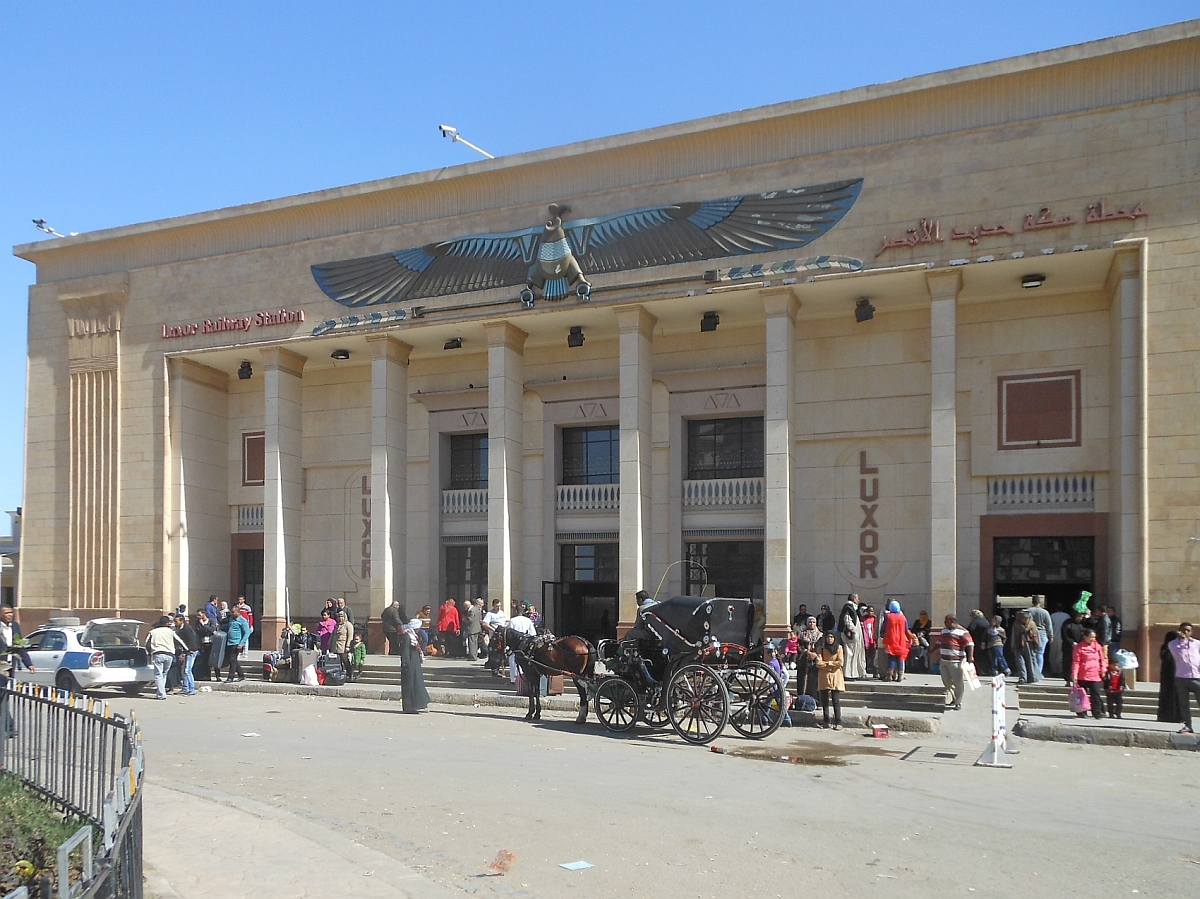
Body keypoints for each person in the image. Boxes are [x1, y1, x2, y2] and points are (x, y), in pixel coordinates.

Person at [1166, 622, 1200, 735]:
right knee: (1184, 703)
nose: (1185, 632)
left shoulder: (1197, 644)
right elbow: (1179, 654)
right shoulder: (1173, 644)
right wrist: (1182, 641)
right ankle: (1188, 726)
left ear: (1191, 632)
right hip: (1181, 677)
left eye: (1188, 630)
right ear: (1179, 630)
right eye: (1183, 630)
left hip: (1196, 677)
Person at [145, 616, 189, 700]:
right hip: (169, 655)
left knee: (158, 675)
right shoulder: (171, 631)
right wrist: (186, 650)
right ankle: (161, 692)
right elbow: (179, 641)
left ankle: (161, 694)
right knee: (164, 674)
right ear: (167, 623)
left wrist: (149, 653)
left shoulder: (153, 632)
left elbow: (147, 643)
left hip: (157, 654)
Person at [936, 614, 974, 711]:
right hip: (944, 660)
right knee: (946, 681)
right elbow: (939, 642)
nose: (944, 622)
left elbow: (970, 644)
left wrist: (970, 656)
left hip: (956, 661)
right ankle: (954, 697)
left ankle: (958, 702)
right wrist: (931, 651)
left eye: (946, 620)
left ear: (952, 621)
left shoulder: (963, 631)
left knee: (958, 682)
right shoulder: (944, 631)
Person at [1069, 628, 1107, 720]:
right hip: (1083, 674)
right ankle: (1082, 711)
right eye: (1091, 637)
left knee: (1096, 694)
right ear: (1085, 637)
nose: (1093, 639)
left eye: (1094, 637)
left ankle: (1097, 712)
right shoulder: (1079, 647)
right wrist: (1074, 675)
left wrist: (1103, 669)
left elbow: (1103, 659)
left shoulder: (1098, 647)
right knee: (1082, 695)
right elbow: (1076, 662)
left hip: (1095, 674)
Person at [398, 614, 430, 713]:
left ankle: (416, 705)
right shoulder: (407, 637)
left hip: (414, 664)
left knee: (415, 685)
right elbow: (405, 652)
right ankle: (409, 707)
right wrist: (406, 665)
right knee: (409, 686)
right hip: (409, 665)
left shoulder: (412, 636)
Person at [0, 604, 35, 689]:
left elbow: (19, 645)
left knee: (7, 691)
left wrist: (28, 664)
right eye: (6, 613)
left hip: (10, 665)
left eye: (11, 612)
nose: (10, 615)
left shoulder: (15, 626)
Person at [815, 630, 845, 730]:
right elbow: (818, 663)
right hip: (824, 676)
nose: (830, 639)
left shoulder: (839, 648)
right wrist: (831, 664)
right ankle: (826, 721)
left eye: (832, 637)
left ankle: (838, 721)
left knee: (836, 700)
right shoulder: (821, 648)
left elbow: (840, 662)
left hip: (836, 676)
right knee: (825, 700)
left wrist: (827, 664)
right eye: (828, 637)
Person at [837, 594, 866, 680]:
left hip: (854, 634)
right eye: (857, 598)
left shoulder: (852, 607)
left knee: (854, 654)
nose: (858, 600)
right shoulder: (848, 607)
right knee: (850, 653)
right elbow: (847, 620)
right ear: (853, 599)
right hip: (850, 635)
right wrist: (854, 631)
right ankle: (848, 674)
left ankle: (854, 673)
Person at [505, 606, 537, 683]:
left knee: (513, 659)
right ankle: (523, 677)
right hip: (526, 642)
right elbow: (533, 633)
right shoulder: (528, 620)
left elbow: (509, 633)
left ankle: (514, 679)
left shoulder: (513, 620)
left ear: (516, 611)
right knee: (525, 660)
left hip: (515, 642)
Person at [1157, 630, 1182, 723]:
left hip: (1178, 675)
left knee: (1177, 696)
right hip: (1168, 677)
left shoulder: (1179, 648)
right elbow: (1166, 659)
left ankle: (1178, 717)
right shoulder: (1165, 648)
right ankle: (1166, 716)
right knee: (1167, 696)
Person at [795, 616, 822, 703]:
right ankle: (802, 701)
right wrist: (807, 652)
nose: (812, 624)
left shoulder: (820, 635)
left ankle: (816, 701)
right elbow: (799, 646)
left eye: (813, 622)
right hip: (804, 662)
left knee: (815, 682)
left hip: (816, 662)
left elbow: (822, 647)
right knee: (803, 681)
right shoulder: (802, 634)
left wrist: (816, 654)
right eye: (810, 622)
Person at [881, 601, 909, 682]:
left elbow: (883, 627)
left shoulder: (888, 616)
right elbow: (906, 629)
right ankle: (900, 676)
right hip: (901, 639)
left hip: (891, 639)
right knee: (899, 657)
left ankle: (889, 676)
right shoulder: (903, 617)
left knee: (891, 657)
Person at [174, 612, 200, 696]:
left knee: (187, 670)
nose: (175, 623)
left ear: (182, 621)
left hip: (191, 651)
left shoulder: (187, 629)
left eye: (177, 621)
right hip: (186, 651)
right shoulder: (179, 629)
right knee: (183, 670)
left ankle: (192, 689)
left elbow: (191, 640)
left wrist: (190, 650)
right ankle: (185, 688)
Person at [1027, 596, 1053, 679]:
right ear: (1040, 602)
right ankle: (1038, 673)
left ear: (1032, 602)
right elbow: (1049, 625)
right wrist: (1051, 636)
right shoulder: (1045, 612)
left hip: (1030, 634)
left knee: (1031, 654)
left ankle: (1031, 672)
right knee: (1040, 653)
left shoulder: (1028, 611)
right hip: (1042, 634)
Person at [224, 607, 250, 682]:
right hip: (229, 642)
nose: (232, 614)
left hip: (237, 643)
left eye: (233, 612)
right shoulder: (231, 619)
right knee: (233, 660)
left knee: (232, 659)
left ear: (238, 613)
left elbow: (246, 633)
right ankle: (241, 675)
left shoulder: (243, 621)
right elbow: (228, 627)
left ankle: (230, 677)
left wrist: (242, 643)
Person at [1059, 611, 1085, 685]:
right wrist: (1071, 642)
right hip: (1068, 647)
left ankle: (1076, 681)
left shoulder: (1083, 624)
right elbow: (1064, 635)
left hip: (1080, 647)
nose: (1080, 619)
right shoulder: (1067, 623)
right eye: (1079, 617)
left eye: (1082, 617)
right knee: (1068, 664)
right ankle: (1068, 680)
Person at [329, 612, 354, 678]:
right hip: (335, 645)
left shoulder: (348, 625)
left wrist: (348, 646)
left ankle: (350, 673)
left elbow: (350, 636)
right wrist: (329, 644)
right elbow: (332, 635)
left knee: (345, 660)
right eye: (339, 617)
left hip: (343, 645)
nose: (340, 618)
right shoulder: (337, 625)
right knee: (337, 661)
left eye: (342, 616)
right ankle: (340, 675)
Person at [967, 610, 991, 676]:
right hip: (986, 642)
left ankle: (979, 671)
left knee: (977, 657)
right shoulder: (986, 621)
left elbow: (971, 629)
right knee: (984, 657)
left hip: (976, 641)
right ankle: (986, 670)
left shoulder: (975, 621)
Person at [861, 606, 877, 676]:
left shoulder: (875, 619)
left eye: (872, 611)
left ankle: (874, 669)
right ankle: (866, 668)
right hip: (866, 639)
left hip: (873, 639)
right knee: (866, 655)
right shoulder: (863, 619)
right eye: (869, 611)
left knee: (873, 655)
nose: (870, 613)